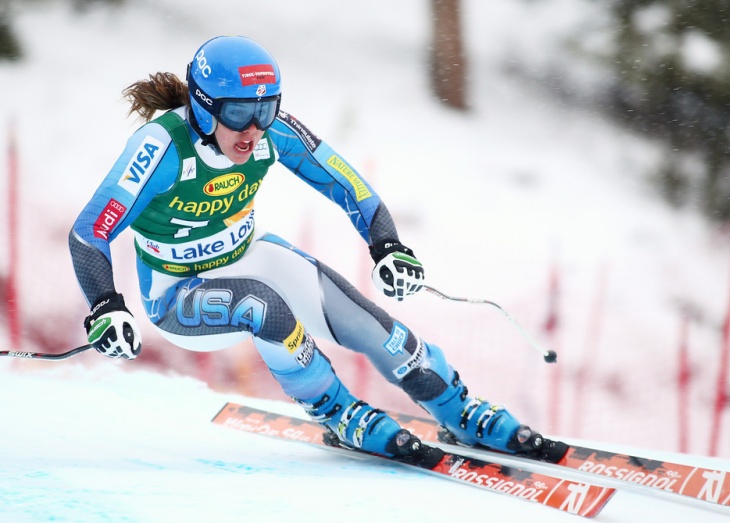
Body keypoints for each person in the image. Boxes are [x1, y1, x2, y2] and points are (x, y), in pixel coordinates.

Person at [69, 35, 561, 467]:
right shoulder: (160, 147)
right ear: (202, 106)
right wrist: (106, 305)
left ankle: (456, 407)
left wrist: (387, 245)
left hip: (250, 257)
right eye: (239, 112)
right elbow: (90, 232)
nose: (253, 129)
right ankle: (338, 412)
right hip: (177, 294)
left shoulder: (269, 132)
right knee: (264, 307)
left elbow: (347, 182)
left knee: (367, 323)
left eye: (266, 110)